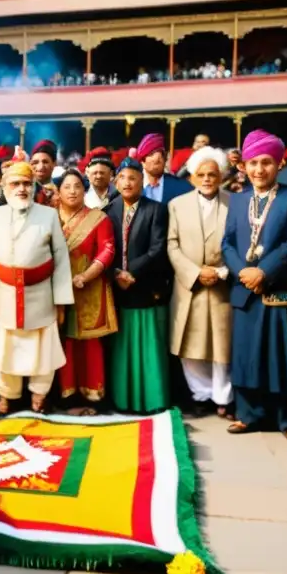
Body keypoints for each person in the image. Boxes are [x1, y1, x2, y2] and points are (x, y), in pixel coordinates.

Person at [223, 130, 287, 443]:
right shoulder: (238, 199)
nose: (259, 169)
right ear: (244, 166)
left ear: (280, 164)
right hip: (245, 288)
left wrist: (264, 273)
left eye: (266, 163)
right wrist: (243, 272)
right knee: (247, 357)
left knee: (280, 357)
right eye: (253, 163)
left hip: (277, 288)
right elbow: (228, 242)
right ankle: (249, 415)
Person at [0, 153, 73, 415]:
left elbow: (61, 260)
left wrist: (61, 301)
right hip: (5, 295)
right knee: (6, 349)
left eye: (26, 184)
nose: (21, 189)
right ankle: (7, 395)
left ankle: (39, 396)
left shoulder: (48, 215)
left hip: (41, 295)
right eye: (16, 184)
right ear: (5, 188)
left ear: (33, 187)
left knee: (42, 349)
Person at [167, 147, 234, 418]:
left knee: (222, 344)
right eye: (201, 174)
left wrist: (221, 272)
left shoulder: (235, 203)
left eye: (212, 174)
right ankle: (201, 394)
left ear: (221, 177)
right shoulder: (177, 205)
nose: (207, 179)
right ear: (192, 177)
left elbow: (244, 244)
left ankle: (223, 397)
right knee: (190, 344)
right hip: (190, 285)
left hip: (222, 284)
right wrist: (195, 272)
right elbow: (172, 245)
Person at [106, 150, 171, 413]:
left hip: (144, 286)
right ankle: (121, 399)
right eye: (122, 178)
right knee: (120, 348)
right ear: (116, 182)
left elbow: (157, 248)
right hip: (116, 288)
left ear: (141, 182)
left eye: (133, 178)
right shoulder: (107, 211)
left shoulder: (156, 210)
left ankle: (151, 399)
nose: (128, 183)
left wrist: (130, 272)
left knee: (147, 346)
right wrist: (115, 274)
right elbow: (104, 248)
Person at [55, 168, 116, 414]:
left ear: (85, 190)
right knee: (63, 342)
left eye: (77, 186)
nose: (72, 191)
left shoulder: (98, 218)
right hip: (55, 291)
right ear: (58, 191)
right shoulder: (49, 218)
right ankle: (66, 397)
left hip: (90, 289)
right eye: (67, 186)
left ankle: (93, 395)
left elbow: (107, 250)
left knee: (89, 344)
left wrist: (86, 276)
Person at [136, 133, 193, 205]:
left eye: (160, 158)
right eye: (151, 155)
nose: (156, 159)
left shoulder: (183, 188)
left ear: (165, 159)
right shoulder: (129, 186)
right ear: (142, 162)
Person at [30, 139, 59, 206]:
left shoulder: (62, 189)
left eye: (45, 162)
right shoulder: (24, 189)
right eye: (35, 162)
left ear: (54, 163)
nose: (40, 167)